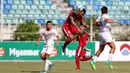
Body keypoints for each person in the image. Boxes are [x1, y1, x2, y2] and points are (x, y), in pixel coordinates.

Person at [90, 6, 120, 70]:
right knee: (113, 47)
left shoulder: (100, 16)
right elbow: (107, 20)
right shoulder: (106, 15)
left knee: (101, 49)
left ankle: (93, 61)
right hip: (106, 33)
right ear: (107, 11)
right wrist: (115, 21)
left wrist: (101, 24)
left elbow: (96, 23)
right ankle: (109, 61)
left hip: (101, 34)